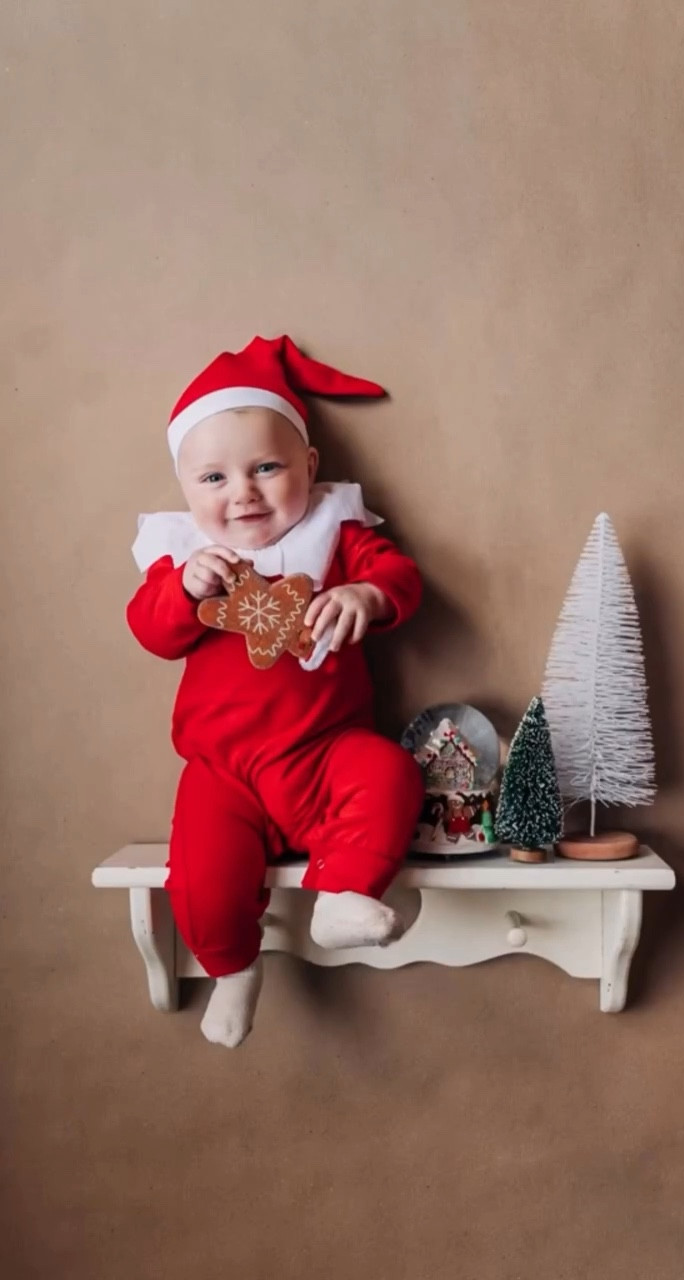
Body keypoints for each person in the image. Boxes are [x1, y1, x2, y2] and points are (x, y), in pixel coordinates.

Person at [127, 335, 424, 1048]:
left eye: (266, 468)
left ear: (309, 467)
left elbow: (403, 578)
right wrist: (180, 592)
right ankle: (233, 970)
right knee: (199, 878)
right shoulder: (185, 559)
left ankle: (344, 897)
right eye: (214, 480)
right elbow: (151, 632)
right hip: (222, 772)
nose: (245, 493)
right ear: (186, 488)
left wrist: (366, 595)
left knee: (389, 772)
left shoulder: (336, 535)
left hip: (326, 752)